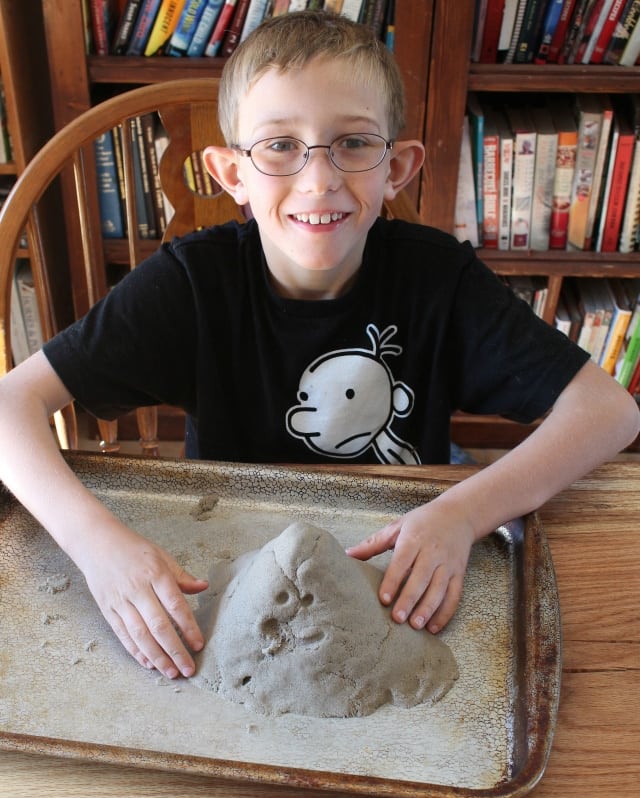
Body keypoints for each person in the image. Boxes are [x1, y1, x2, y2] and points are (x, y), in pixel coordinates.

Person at [0, 11, 637, 683]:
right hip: (232, 565)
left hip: (393, 564)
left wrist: (463, 511)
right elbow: (10, 405)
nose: (319, 179)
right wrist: (98, 547)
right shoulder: (192, 283)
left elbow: (610, 412)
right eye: (280, 145)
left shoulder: (438, 280)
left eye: (353, 143)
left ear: (397, 167)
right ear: (231, 173)